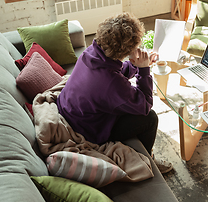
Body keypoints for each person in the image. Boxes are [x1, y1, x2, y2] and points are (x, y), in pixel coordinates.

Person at [56, 12, 173, 174]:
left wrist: (137, 65)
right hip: (87, 129)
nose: (137, 49)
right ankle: (147, 160)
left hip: (72, 110)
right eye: (135, 47)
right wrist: (144, 70)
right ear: (126, 49)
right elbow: (145, 105)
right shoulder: (111, 84)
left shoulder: (92, 52)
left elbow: (113, 71)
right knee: (150, 118)